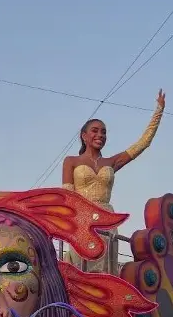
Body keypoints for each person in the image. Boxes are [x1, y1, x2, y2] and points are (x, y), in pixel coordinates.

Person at [60, 90, 165, 273]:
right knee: (82, 270)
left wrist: (159, 111)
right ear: (84, 136)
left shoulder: (111, 162)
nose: (100, 135)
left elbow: (142, 144)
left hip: (107, 220)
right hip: (82, 220)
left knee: (105, 270)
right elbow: (67, 197)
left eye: (104, 132)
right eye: (95, 130)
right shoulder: (71, 161)